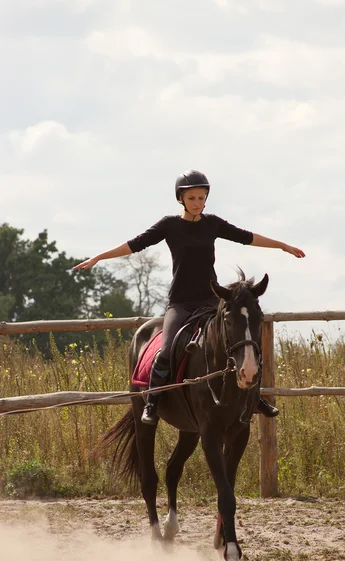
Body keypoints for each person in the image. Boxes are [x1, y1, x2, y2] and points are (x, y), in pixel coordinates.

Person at [73, 170, 305, 425]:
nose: (197, 202)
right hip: (181, 303)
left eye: (201, 198)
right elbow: (134, 244)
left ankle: (255, 398)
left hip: (211, 302)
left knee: (243, 344)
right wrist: (98, 257)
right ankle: (152, 403)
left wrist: (282, 245)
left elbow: (246, 237)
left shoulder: (213, 223)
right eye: (192, 198)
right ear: (180, 199)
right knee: (166, 350)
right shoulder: (169, 225)